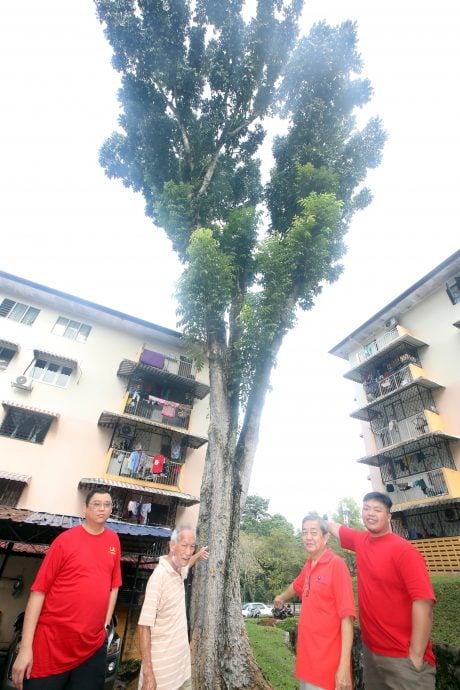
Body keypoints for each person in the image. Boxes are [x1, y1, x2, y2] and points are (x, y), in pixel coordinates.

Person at [12, 489, 122, 690]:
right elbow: (38, 592)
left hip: (91, 648)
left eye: (107, 505)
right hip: (52, 645)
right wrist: (26, 648)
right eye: (97, 504)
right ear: (85, 508)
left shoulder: (113, 541)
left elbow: (113, 586)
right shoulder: (64, 541)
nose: (102, 508)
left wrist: (105, 625)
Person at [328, 491, 436, 690]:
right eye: (366, 508)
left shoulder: (404, 551)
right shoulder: (361, 541)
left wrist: (416, 655)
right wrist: (321, 522)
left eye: (377, 509)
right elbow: (338, 529)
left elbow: (424, 603)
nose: (370, 513)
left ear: (388, 517)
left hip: (403, 660)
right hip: (372, 654)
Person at [274, 513, 356, 690]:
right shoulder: (309, 565)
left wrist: (343, 667)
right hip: (307, 664)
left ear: (325, 537)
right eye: (304, 533)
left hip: (327, 669)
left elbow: (347, 618)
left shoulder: (336, 565)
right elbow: (295, 586)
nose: (308, 537)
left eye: (313, 532)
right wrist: (280, 597)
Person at [138, 525, 208, 690]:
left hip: (182, 671)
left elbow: (187, 563)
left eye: (192, 546)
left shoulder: (179, 571)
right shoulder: (159, 578)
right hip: (162, 677)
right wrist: (148, 675)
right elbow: (143, 626)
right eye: (184, 545)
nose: (188, 551)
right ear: (172, 545)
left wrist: (198, 554)